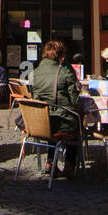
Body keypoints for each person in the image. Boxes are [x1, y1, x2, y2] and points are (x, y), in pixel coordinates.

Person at [31, 39, 83, 178]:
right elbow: (75, 102)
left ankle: (50, 162)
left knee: (51, 118)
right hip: (61, 122)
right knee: (76, 122)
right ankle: (69, 165)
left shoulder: (34, 73)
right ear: (61, 56)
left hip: (40, 123)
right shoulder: (65, 72)